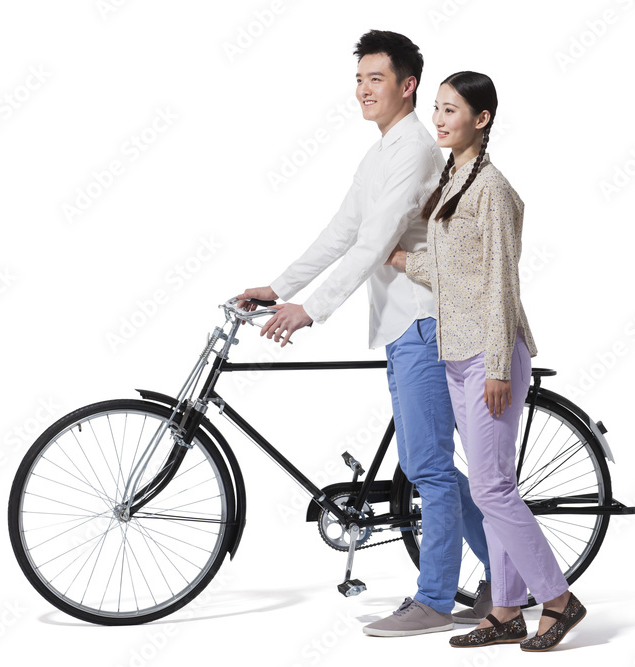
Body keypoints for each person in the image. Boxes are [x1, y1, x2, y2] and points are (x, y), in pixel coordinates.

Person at [235, 30, 491, 637]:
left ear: (408, 86)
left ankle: (433, 601)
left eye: (376, 78)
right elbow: (341, 231)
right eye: (358, 79)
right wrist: (279, 285)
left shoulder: (414, 153)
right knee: (431, 464)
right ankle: (513, 574)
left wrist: (311, 310)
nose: (363, 90)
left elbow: (375, 243)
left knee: (426, 466)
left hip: (426, 320)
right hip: (403, 324)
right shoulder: (379, 154)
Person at [386, 71, 586, 651]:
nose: (441, 119)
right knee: (489, 489)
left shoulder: (493, 189)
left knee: (493, 488)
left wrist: (498, 364)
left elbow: (500, 281)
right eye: (438, 109)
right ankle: (503, 611)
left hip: (490, 352)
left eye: (453, 110)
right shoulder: (454, 180)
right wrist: (400, 259)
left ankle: (558, 599)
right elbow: (455, 274)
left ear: (483, 118)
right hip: (457, 349)